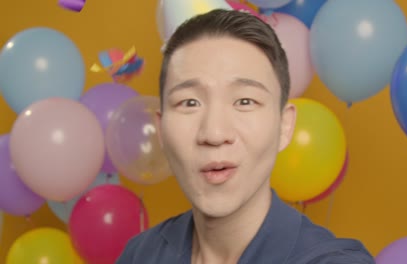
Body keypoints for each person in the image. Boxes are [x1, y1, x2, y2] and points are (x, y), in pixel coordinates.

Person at [116, 9, 375, 264]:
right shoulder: (141, 253)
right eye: (190, 103)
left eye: (245, 100)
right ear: (161, 130)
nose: (215, 134)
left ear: (284, 126)